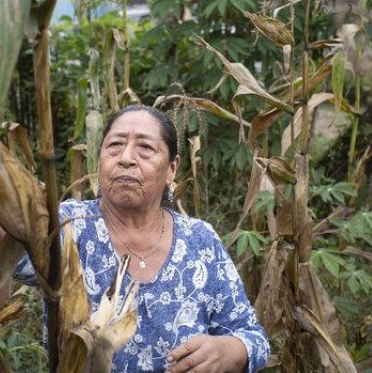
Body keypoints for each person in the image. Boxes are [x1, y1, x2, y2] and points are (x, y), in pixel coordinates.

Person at [16, 104, 270, 372]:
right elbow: (15, 254)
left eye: (145, 148)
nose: (126, 157)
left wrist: (229, 350)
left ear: (172, 169)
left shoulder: (200, 240)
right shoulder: (71, 224)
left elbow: (253, 337)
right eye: (115, 145)